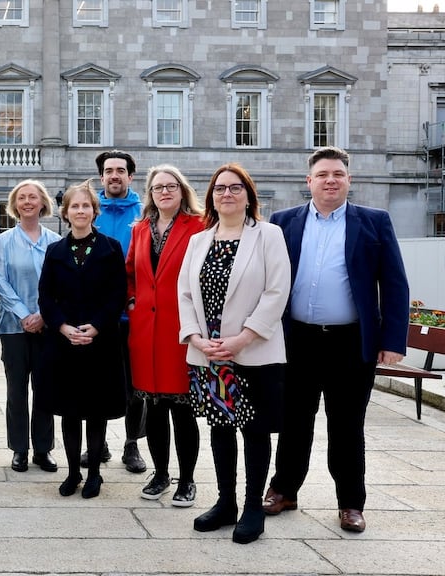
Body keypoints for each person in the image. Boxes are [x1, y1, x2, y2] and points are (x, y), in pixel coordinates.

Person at [263, 146, 409, 534]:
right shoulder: (283, 221)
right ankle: (284, 490)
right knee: (294, 421)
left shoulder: (375, 222)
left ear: (349, 180)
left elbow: (394, 284)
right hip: (297, 341)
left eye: (338, 175)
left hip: (350, 343)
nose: (331, 180)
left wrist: (393, 340)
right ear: (308, 181)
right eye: (323, 174)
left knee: (347, 425)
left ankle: (350, 503)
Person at [177, 163, 290, 544]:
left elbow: (277, 292)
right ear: (210, 197)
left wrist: (244, 337)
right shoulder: (199, 240)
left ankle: (252, 506)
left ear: (248, 195)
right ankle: (226, 502)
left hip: (252, 353)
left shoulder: (268, 236)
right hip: (210, 355)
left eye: (235, 188)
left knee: (255, 430)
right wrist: (194, 336)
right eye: (220, 188)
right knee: (220, 427)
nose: (227, 194)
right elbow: (185, 294)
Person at [38, 180, 128, 499]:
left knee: (95, 409)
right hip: (64, 343)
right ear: (65, 213)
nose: (80, 211)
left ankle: (94, 474)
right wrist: (62, 327)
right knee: (70, 409)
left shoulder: (110, 248)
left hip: (99, 342)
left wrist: (96, 326)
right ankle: (73, 471)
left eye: (86, 206)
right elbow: (46, 297)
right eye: (75, 206)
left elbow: (118, 293)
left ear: (94, 211)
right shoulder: (55, 251)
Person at [126, 164, 204, 507]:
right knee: (153, 407)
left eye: (171, 186)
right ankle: (160, 474)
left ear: (182, 190)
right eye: (158, 188)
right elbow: (130, 271)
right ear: (151, 194)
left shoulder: (199, 226)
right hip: (146, 330)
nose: (165, 192)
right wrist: (132, 301)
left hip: (181, 330)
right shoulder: (141, 229)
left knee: (182, 409)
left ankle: (186, 480)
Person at [0, 180, 61, 474]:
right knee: (16, 390)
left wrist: (43, 315)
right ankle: (19, 449)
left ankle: (43, 449)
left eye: (33, 197)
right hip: (13, 327)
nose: (28, 202)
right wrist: (23, 314)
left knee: (45, 388)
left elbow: (61, 285)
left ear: (43, 202)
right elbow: (0, 281)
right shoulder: (3, 241)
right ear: (15, 204)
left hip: (47, 327)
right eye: (22, 197)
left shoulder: (56, 242)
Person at [90, 149, 147, 474]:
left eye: (120, 171)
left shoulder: (143, 214)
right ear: (102, 177)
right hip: (97, 316)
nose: (114, 176)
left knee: (134, 385)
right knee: (95, 381)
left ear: (130, 176)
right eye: (109, 171)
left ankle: (132, 444)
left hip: (131, 314)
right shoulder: (91, 210)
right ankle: (97, 445)